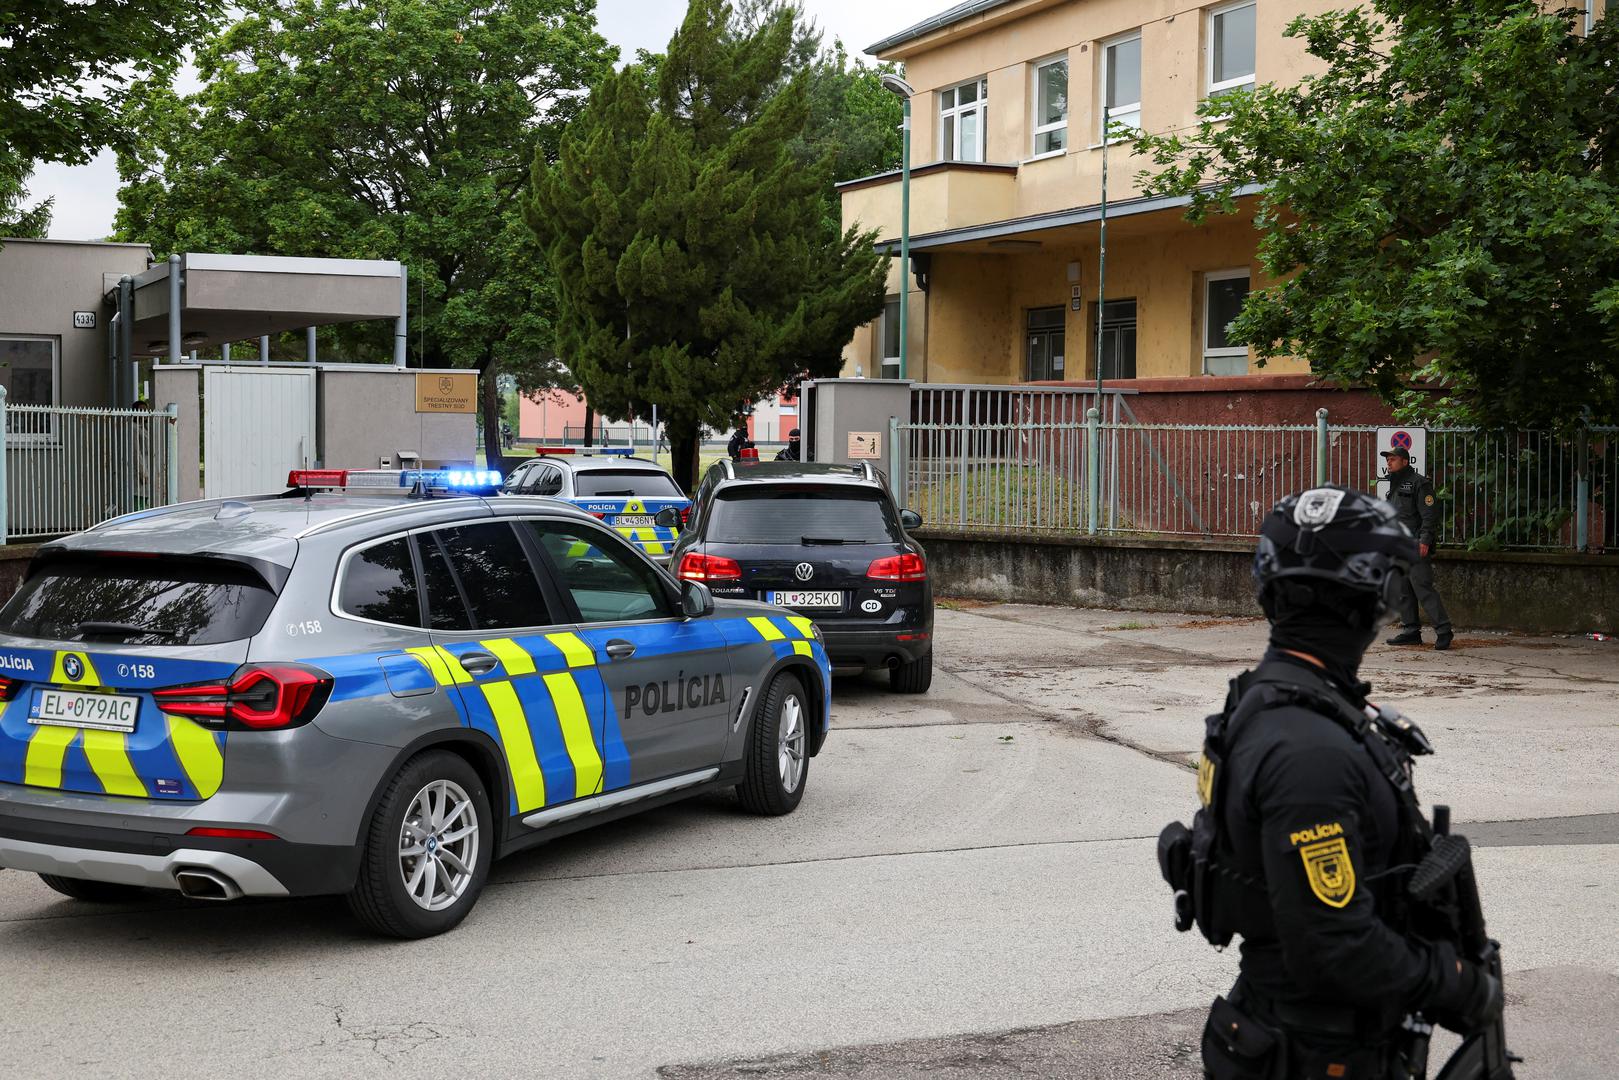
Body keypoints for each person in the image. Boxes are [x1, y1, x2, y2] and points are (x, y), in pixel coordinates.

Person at [1158, 486, 1502, 1080]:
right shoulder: (1306, 748)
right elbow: (1334, 947)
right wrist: (1456, 983)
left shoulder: (1281, 704)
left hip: (1301, 1036)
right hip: (1315, 1052)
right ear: (1365, 598)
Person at [1380, 442, 1453, 650]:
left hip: (1414, 544)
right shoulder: (1394, 485)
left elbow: (1429, 515)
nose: (1389, 462)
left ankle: (1444, 630)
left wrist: (1425, 540)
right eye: (1387, 459)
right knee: (1403, 589)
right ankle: (1411, 631)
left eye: (1392, 459)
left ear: (1405, 461)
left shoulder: (1419, 483)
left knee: (1422, 588)